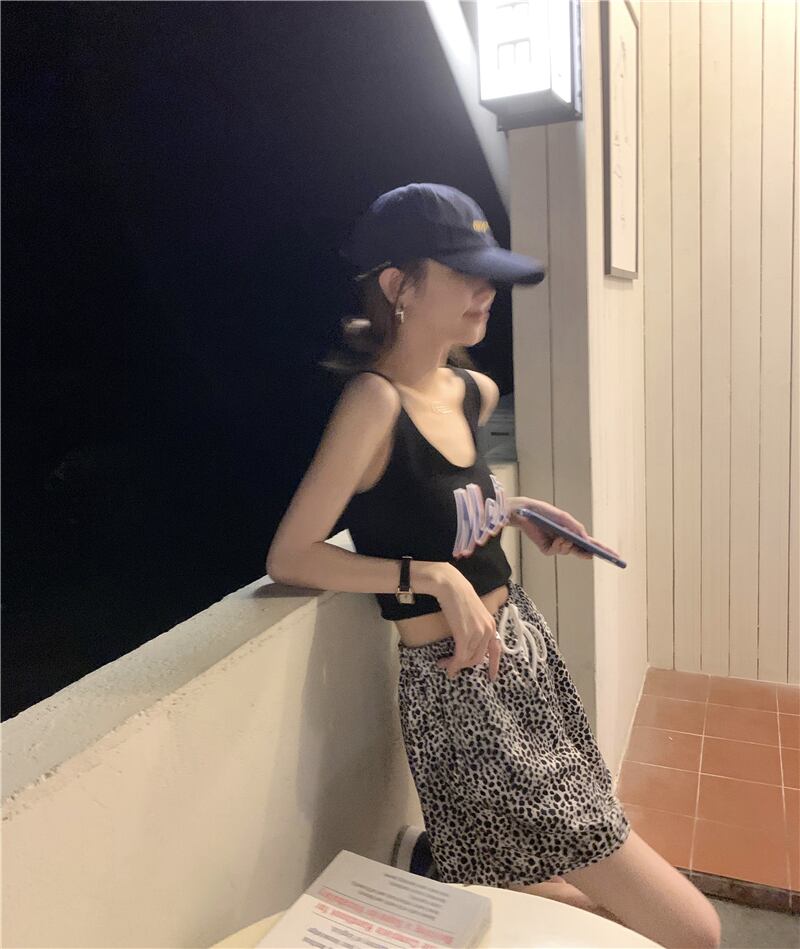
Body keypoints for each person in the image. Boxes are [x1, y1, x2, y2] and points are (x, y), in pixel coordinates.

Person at [266, 183, 720, 949]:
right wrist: (430, 576)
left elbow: (431, 501)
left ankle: (441, 868)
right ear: (399, 285)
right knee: (693, 929)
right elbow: (290, 555)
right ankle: (444, 870)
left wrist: (511, 510)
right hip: (461, 696)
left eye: (489, 274)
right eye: (464, 272)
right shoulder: (373, 403)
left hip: (526, 659)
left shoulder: (471, 391)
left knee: (532, 885)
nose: (487, 290)